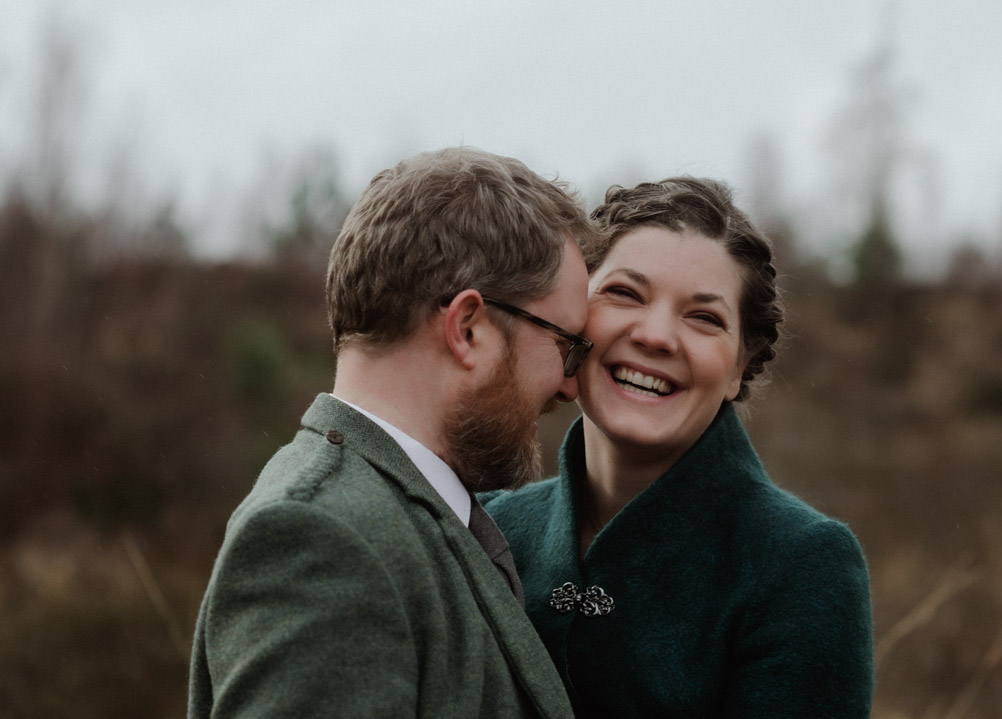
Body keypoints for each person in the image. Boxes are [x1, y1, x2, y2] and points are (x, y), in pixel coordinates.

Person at [188, 147, 600, 718]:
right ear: (469, 329)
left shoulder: (400, 512)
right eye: (566, 345)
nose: (570, 387)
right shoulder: (322, 539)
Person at [483, 177, 874, 717]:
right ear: (572, 316)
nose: (657, 336)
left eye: (704, 317)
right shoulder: (488, 526)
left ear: (739, 366)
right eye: (624, 293)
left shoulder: (801, 565)